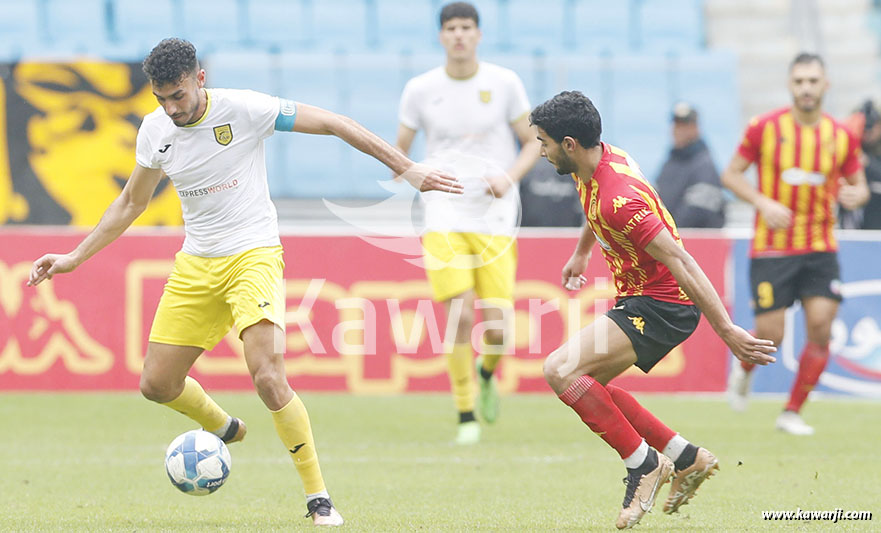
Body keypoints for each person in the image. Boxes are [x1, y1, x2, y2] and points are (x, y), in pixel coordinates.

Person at [27, 38, 462, 526]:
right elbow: (132, 201)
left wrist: (408, 168)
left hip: (253, 255)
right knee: (157, 384)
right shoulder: (155, 131)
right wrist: (75, 257)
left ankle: (318, 498)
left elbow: (336, 123)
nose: (171, 108)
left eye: (178, 95)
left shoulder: (246, 109)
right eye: (161, 99)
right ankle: (223, 426)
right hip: (197, 263)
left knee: (268, 376)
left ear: (200, 80)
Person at [530, 90, 776, 529]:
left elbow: (682, 261)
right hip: (641, 297)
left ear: (569, 143)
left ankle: (644, 464)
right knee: (588, 386)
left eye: (544, 142)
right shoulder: (598, 160)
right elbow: (593, 204)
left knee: (560, 370)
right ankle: (685, 456)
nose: (541, 151)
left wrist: (727, 331)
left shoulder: (622, 201)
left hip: (664, 305)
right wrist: (583, 252)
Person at [395, 2, 540, 445]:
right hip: (444, 214)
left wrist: (509, 177)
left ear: (478, 34)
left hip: (495, 216)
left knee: (497, 328)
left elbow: (533, 141)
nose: (459, 35)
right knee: (459, 314)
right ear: (441, 36)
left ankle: (487, 372)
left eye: (466, 27)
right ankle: (465, 412)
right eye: (451, 28)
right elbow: (400, 152)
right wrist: (412, 174)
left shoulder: (504, 83)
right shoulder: (420, 89)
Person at [721, 53, 870, 434]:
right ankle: (744, 369)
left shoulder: (841, 135)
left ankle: (791, 412)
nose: (806, 88)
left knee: (820, 326)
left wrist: (857, 195)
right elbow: (731, 175)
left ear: (825, 85)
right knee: (772, 335)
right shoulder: (764, 128)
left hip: (820, 246)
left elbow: (860, 186)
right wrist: (762, 202)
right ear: (790, 85)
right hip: (772, 248)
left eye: (813, 81)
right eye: (800, 81)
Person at [655, 102, 726, 228]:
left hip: (693, 238)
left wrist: (666, 232)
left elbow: (698, 213)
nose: (678, 130)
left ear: (695, 128)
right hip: (669, 235)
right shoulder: (670, 162)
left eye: (684, 126)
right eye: (676, 125)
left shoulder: (704, 165)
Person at [841, 99, 881, 230]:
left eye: (870, 128)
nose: (866, 134)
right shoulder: (846, 146)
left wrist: (867, 162)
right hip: (850, 226)